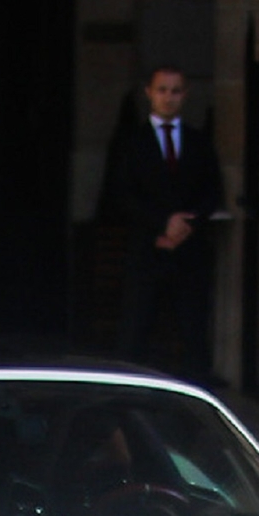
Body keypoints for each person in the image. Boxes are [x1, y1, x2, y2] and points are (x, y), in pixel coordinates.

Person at [98, 65, 226, 380]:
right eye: (162, 90)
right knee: (135, 330)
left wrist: (185, 226)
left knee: (193, 330)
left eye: (175, 91)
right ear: (149, 93)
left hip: (189, 253)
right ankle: (126, 401)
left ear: (185, 94)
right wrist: (160, 224)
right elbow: (120, 194)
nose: (169, 98)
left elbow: (212, 191)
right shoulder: (132, 142)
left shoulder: (198, 142)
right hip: (147, 250)